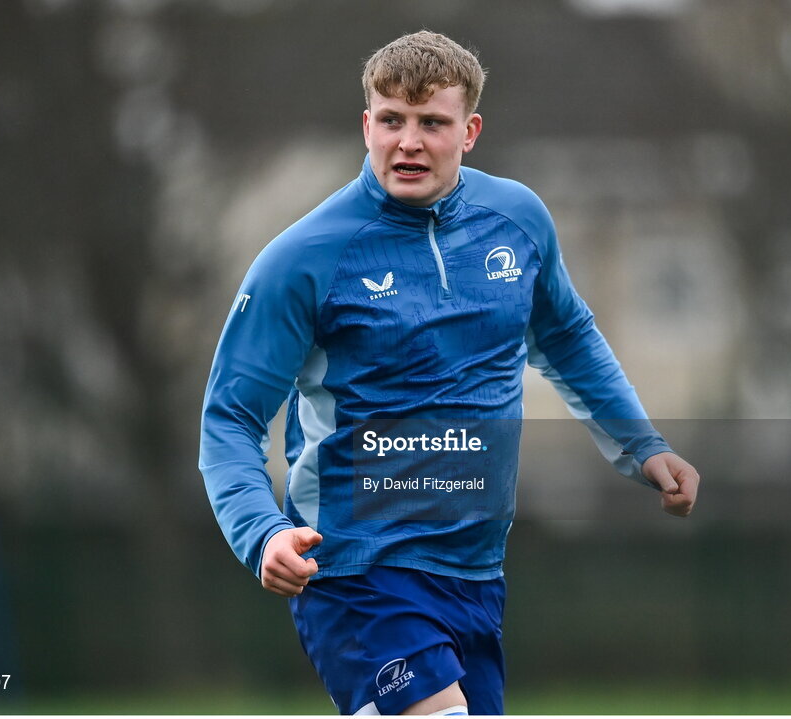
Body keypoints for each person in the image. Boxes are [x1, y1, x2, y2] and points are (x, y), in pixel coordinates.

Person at [200, 30, 699, 716]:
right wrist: (262, 531)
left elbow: (569, 337)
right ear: (365, 124)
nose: (408, 141)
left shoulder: (518, 222)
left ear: (470, 131)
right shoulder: (303, 259)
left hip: (476, 576)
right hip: (357, 572)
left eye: (432, 122)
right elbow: (230, 416)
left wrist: (642, 443)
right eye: (391, 120)